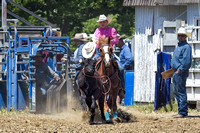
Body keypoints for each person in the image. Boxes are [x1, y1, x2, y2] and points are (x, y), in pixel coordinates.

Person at [171, 27, 191, 118]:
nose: (180, 37)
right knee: (176, 91)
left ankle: (183, 112)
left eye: (182, 36)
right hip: (176, 71)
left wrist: (179, 69)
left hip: (180, 72)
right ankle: (181, 110)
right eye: (179, 35)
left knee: (180, 91)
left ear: (185, 37)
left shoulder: (186, 47)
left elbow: (186, 61)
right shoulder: (179, 46)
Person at [115, 35, 133, 104]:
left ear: (120, 41)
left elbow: (130, 59)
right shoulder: (123, 49)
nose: (116, 44)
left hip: (123, 71)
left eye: (116, 42)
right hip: (122, 71)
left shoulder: (126, 49)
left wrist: (122, 67)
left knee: (120, 86)